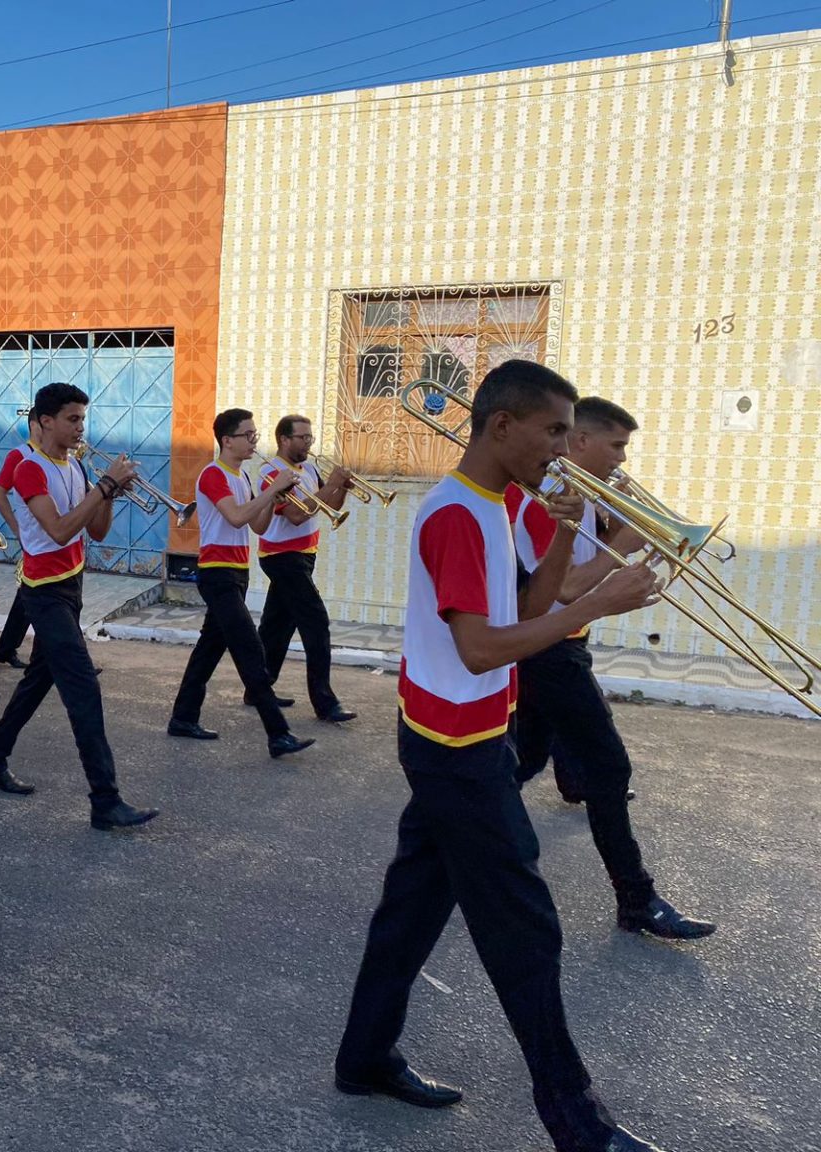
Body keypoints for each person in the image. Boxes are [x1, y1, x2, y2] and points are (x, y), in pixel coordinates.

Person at [333, 360, 669, 1152]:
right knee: (527, 930)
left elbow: (528, 607)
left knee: (412, 908)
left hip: (468, 734)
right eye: (554, 431)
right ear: (502, 426)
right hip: (454, 748)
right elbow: (482, 648)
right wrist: (598, 601)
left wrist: (564, 532)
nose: (562, 448)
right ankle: (578, 1123)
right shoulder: (456, 513)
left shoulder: (500, 503)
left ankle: (364, 1058)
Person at [513, 396, 714, 940]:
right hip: (549, 652)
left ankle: (450, 842)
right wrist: (623, 542)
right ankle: (637, 900)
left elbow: (583, 566)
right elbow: (563, 588)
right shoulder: (544, 501)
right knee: (608, 769)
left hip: (562, 647)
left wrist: (619, 533)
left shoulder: (579, 497)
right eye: (617, 446)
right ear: (581, 441)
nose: (622, 459)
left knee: (523, 761)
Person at [0, 382, 158, 830]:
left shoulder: (75, 466)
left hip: (72, 585)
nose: (80, 428)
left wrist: (108, 495)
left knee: (37, 681)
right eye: (72, 419)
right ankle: (105, 800)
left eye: (82, 419)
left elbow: (96, 531)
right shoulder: (29, 469)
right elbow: (58, 531)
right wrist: (105, 484)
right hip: (43, 592)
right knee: (82, 689)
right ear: (45, 421)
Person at [166, 409, 315, 758]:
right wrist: (272, 488)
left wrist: (274, 499)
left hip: (237, 572)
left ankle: (183, 718)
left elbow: (257, 526)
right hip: (217, 573)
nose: (253, 441)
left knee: (209, 649)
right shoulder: (213, 474)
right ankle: (278, 733)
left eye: (254, 434)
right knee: (250, 649)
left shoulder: (242, 476)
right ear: (227, 440)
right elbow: (234, 517)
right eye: (247, 435)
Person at [255, 415, 358, 723]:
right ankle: (325, 703)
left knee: (277, 625)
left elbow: (330, 506)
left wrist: (344, 487)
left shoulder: (310, 469)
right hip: (281, 556)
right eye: (303, 438)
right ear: (284, 440)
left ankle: (258, 687)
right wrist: (333, 485)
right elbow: (297, 516)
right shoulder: (272, 473)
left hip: (304, 555)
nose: (308, 443)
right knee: (316, 622)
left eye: (310, 438)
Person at [0, 414, 41, 670]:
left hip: (51, 535)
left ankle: (7, 648)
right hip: (33, 536)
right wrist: (17, 528)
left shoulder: (54, 455)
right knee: (38, 594)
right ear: (35, 425)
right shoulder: (19, 455)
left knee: (30, 594)